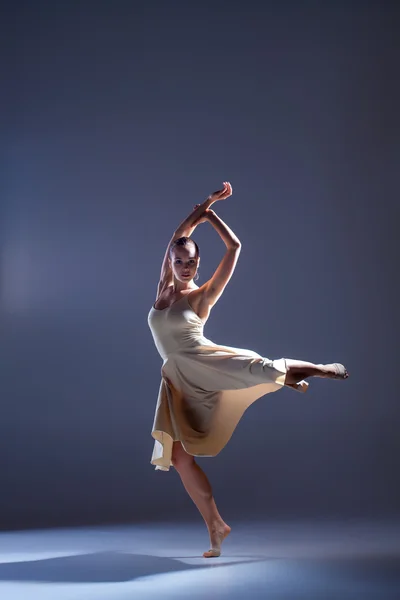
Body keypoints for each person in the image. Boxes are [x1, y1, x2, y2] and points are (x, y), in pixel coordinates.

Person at [147, 182, 348, 558]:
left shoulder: (200, 296)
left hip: (201, 362)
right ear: (170, 262)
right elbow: (179, 235)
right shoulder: (162, 288)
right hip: (175, 379)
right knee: (178, 458)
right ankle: (217, 527)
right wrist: (204, 204)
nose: (186, 267)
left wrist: (213, 216)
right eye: (180, 261)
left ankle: (319, 370)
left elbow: (235, 247)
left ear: (198, 265)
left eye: (192, 263)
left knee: (260, 368)